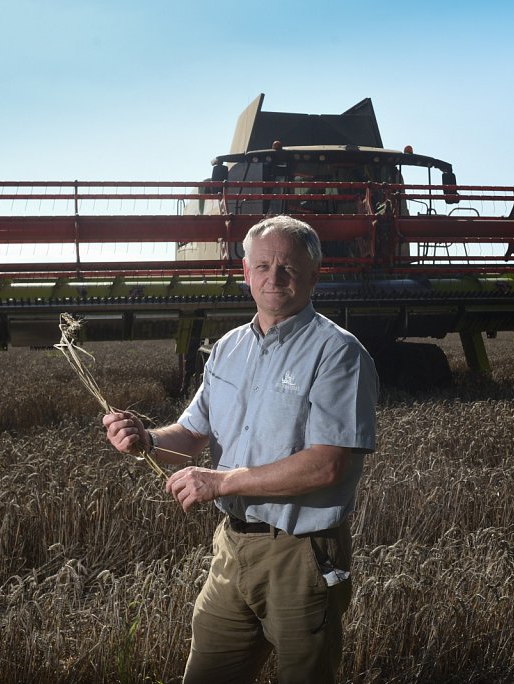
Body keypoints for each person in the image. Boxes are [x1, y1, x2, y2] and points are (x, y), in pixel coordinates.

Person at [103, 215, 378, 683]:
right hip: (231, 547)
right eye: (264, 265)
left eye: (289, 267)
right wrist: (146, 439)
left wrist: (222, 481)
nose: (275, 278)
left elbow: (327, 466)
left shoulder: (338, 353)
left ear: (314, 275)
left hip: (301, 556)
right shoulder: (229, 348)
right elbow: (192, 434)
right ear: (246, 273)